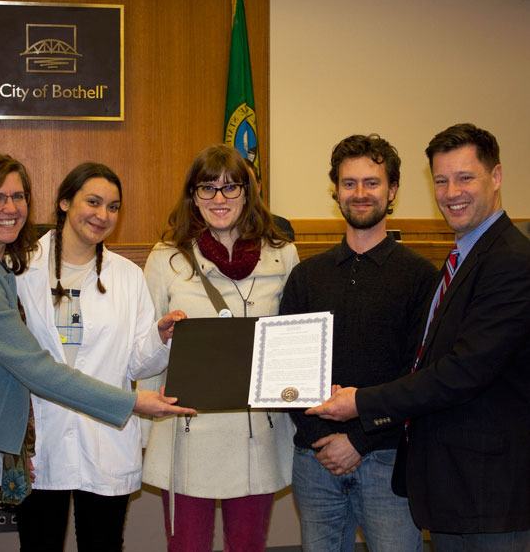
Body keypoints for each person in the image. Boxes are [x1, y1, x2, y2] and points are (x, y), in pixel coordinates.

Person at [0, 153, 194, 552]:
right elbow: (36, 368)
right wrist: (134, 402)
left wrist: (158, 341)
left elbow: (133, 356)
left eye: (18, 196)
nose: (10, 208)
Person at [310, 124, 530, 551]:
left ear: (496, 176)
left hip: (490, 492)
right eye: (442, 180)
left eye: (465, 177)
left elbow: (461, 372)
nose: (452, 192)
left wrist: (360, 402)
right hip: (456, 487)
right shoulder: (465, 257)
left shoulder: (510, 263)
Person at [0, 162, 179, 551]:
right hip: (39, 439)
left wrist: (160, 339)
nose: (103, 215)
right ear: (64, 202)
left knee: (104, 543)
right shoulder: (18, 265)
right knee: (38, 543)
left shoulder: (127, 276)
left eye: (113, 207)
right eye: (92, 202)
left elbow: (136, 364)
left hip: (104, 435)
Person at [280, 134, 435, 551]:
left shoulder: (421, 278)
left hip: (388, 459)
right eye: (349, 183)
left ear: (393, 191)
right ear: (336, 192)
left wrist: (358, 441)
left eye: (372, 182)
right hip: (315, 461)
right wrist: (322, 439)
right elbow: (286, 373)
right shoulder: (307, 277)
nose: (361, 193)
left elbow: (420, 376)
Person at [140, 144, 298, 551]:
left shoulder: (282, 255)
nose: (219, 199)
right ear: (192, 196)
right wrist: (161, 336)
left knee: (247, 546)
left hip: (255, 434)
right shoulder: (166, 258)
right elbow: (142, 352)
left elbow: (294, 343)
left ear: (248, 192)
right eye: (207, 188)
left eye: (230, 188)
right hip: (188, 432)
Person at [244, 158, 295, 241]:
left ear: (258, 187)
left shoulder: (280, 227)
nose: (244, 191)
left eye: (250, 185)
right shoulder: (221, 227)